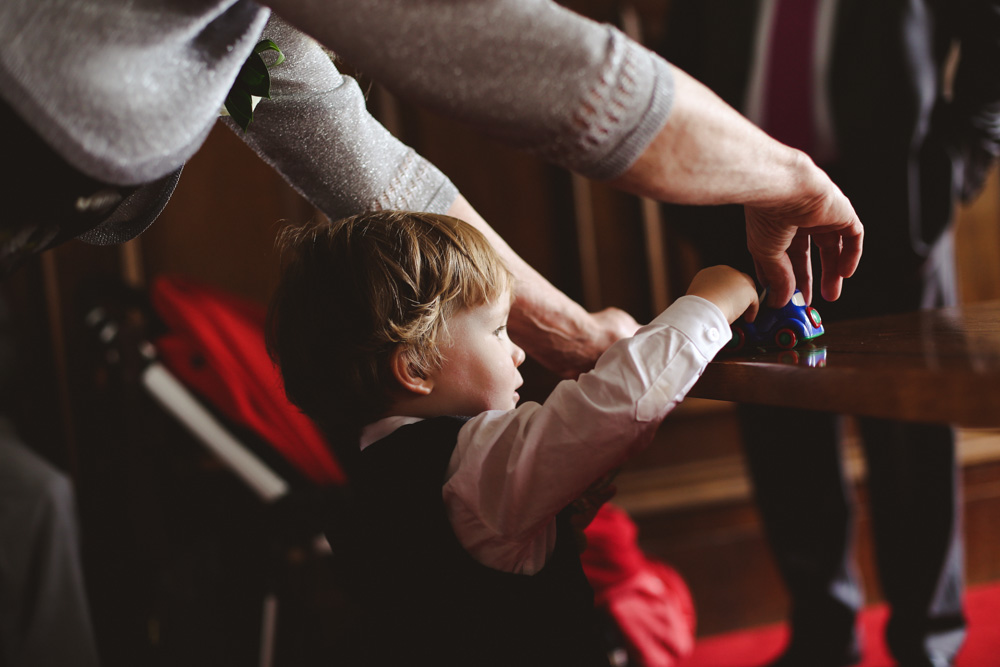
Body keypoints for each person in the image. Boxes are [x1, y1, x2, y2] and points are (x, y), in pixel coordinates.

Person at [658, 1, 1000, 665]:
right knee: (782, 438)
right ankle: (823, 634)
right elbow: (683, 53)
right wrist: (691, 197)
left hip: (895, 216)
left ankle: (927, 640)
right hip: (744, 215)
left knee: (913, 445)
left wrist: (957, 164)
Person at [264, 210, 759, 665]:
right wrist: (709, 305)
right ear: (416, 366)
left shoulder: (378, 474)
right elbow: (615, 407)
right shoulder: (471, 463)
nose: (518, 353)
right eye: (499, 330)